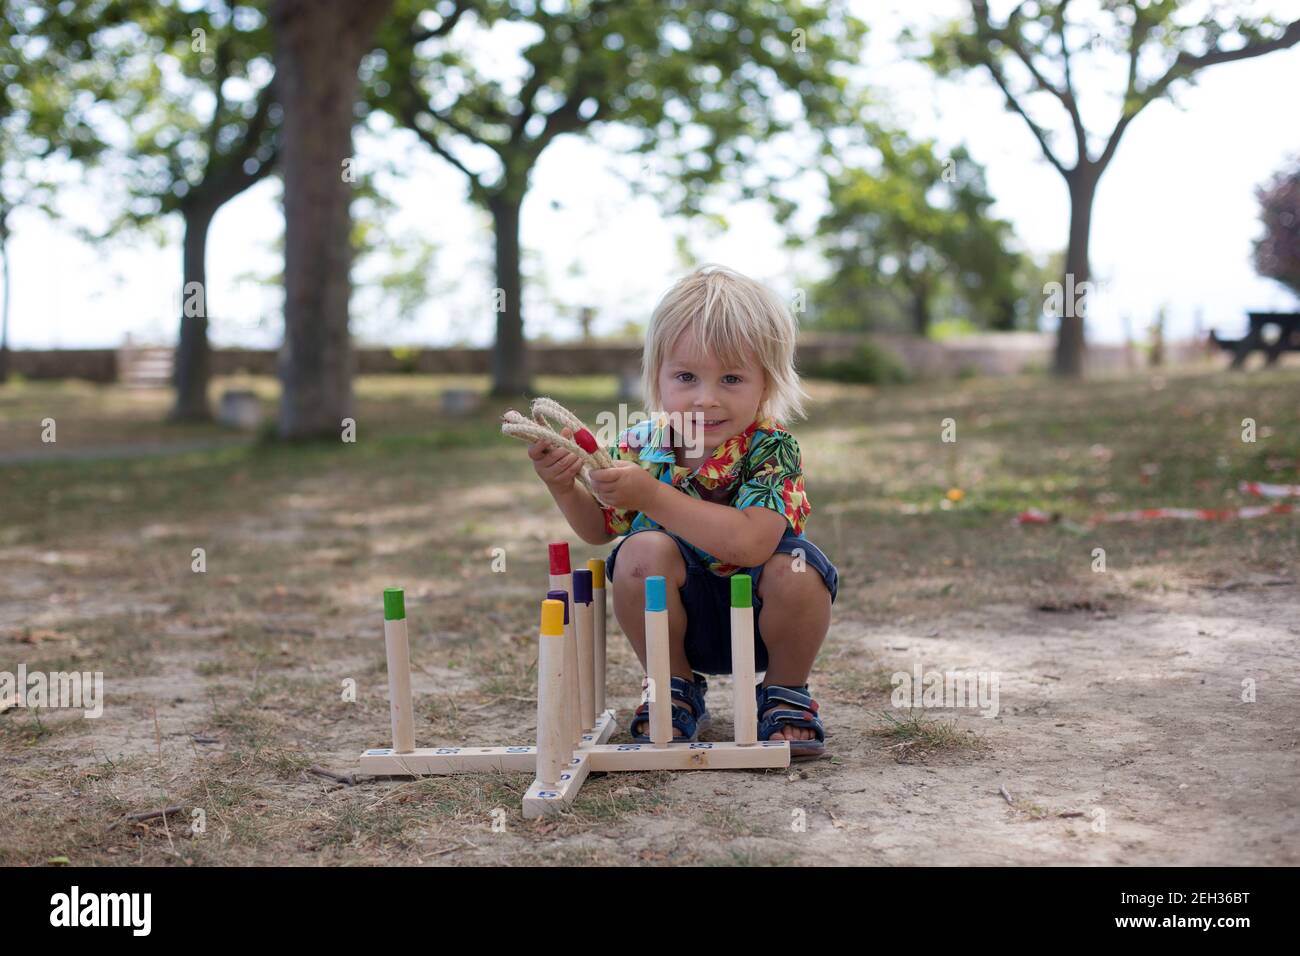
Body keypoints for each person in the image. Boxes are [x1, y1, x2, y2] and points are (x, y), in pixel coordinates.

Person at [527, 265, 838, 758]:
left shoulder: (772, 449)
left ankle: (784, 694)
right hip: (675, 620)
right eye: (686, 376)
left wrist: (650, 496)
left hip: (761, 621)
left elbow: (751, 542)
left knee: (797, 566)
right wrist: (564, 485)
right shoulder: (640, 445)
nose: (705, 398)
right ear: (658, 378)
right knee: (639, 550)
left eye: (732, 378)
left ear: (766, 384)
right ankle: (673, 687)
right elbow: (598, 527)